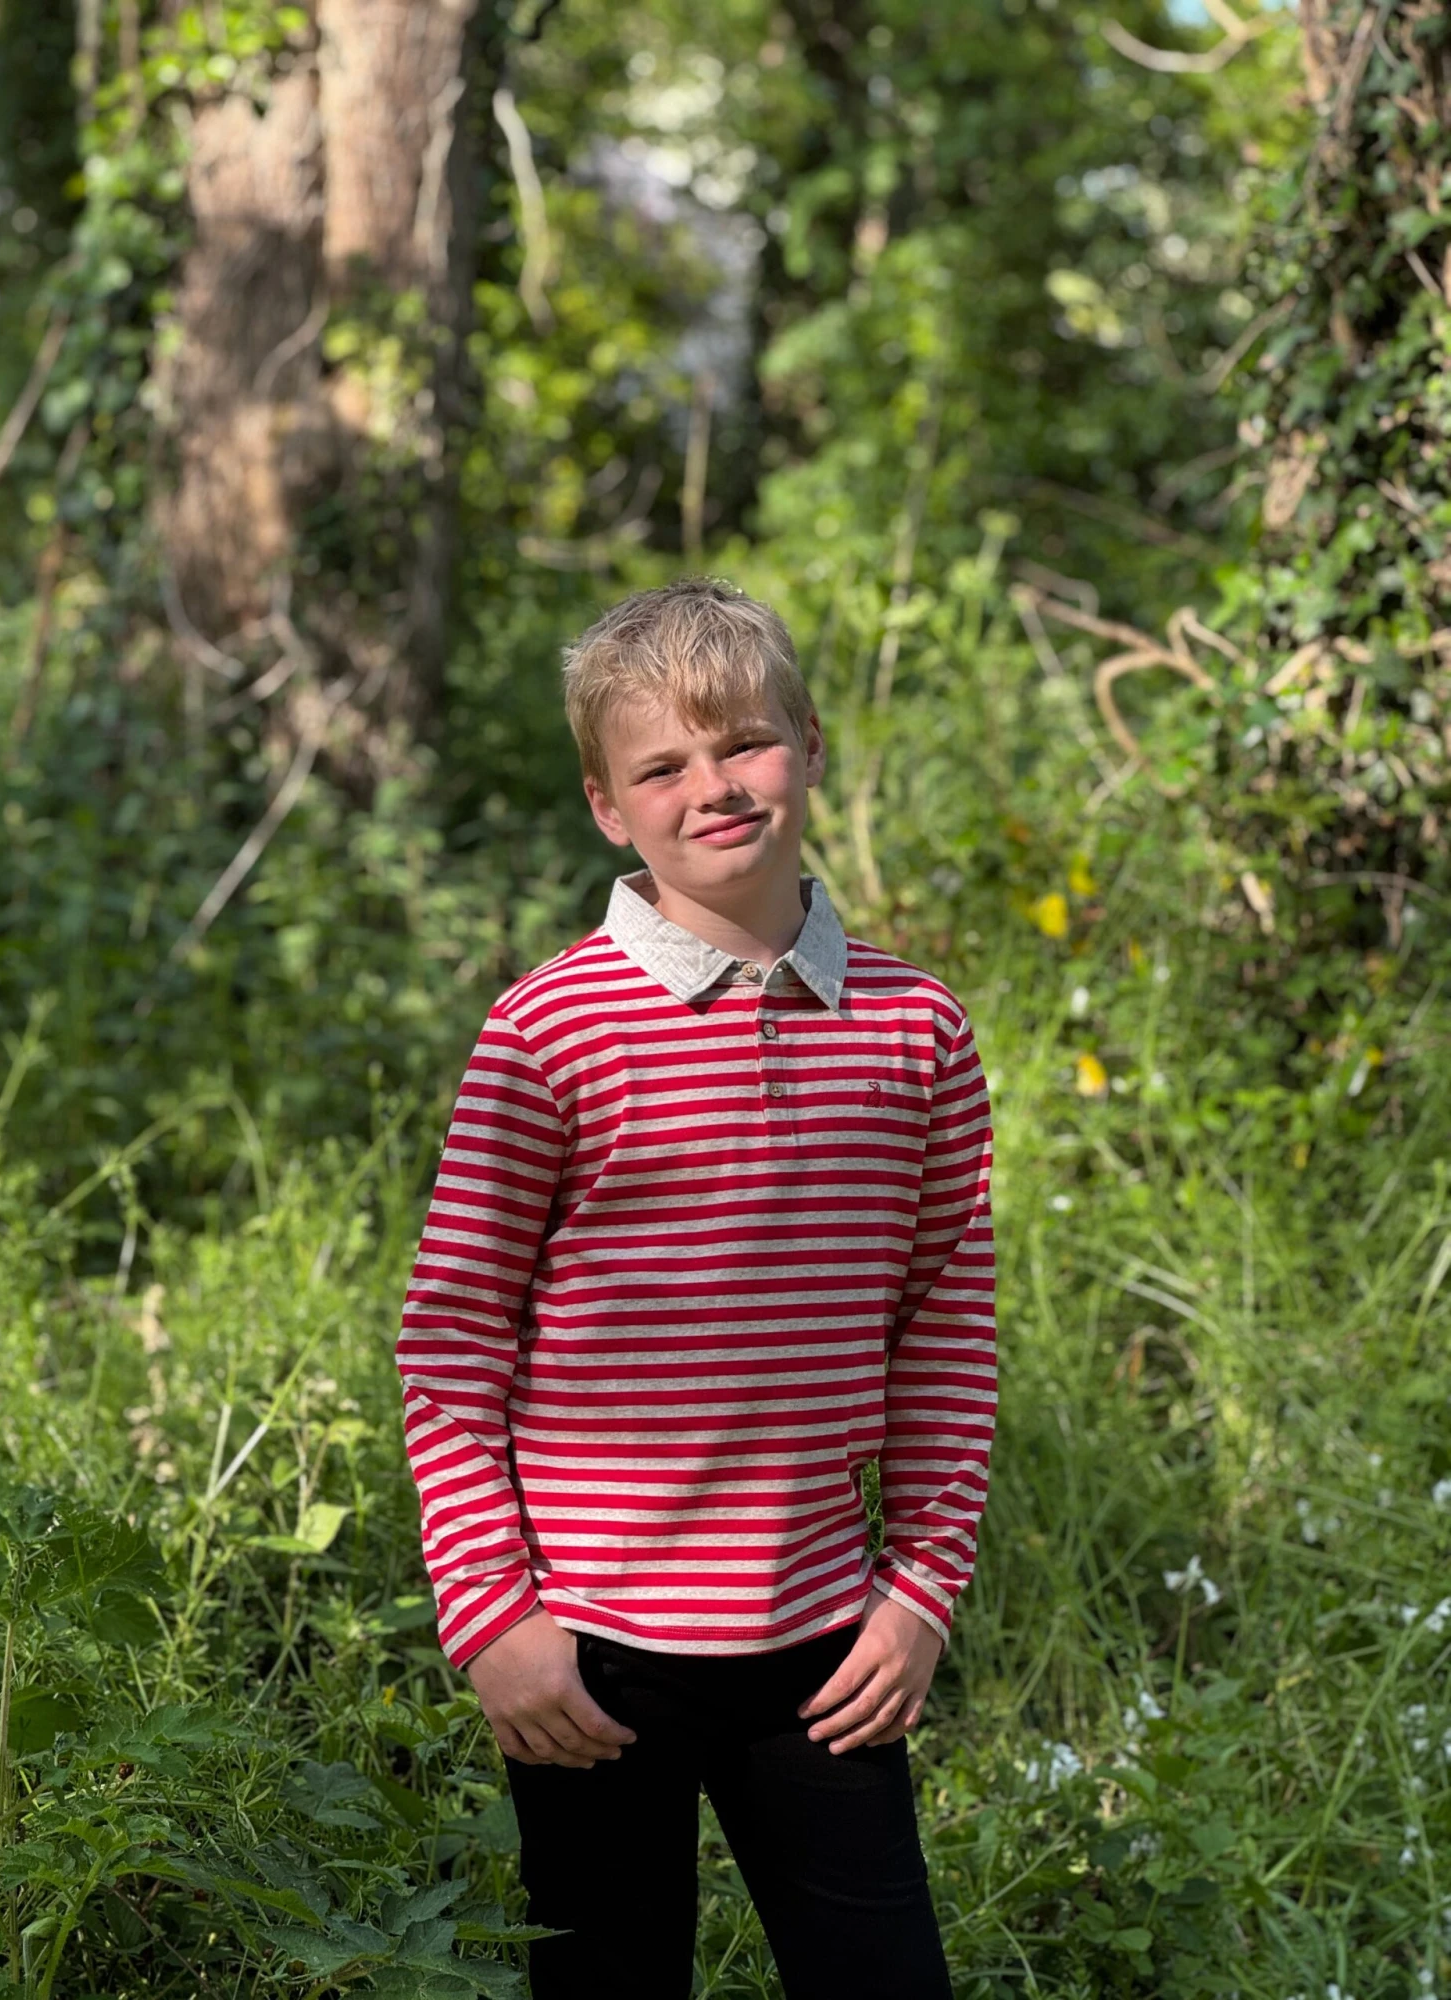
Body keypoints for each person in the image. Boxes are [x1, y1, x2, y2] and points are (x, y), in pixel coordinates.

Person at [395, 577, 997, 1999]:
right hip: (588, 1652)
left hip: (828, 1642)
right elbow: (452, 1341)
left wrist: (919, 1592)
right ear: (608, 806)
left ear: (812, 747)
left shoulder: (918, 1029)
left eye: (745, 744)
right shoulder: (549, 1031)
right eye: (662, 764)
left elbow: (947, 1330)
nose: (712, 788)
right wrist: (493, 1614)